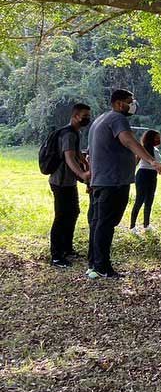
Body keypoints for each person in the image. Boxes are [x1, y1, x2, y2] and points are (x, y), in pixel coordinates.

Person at [86, 89, 161, 279]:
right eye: (130, 101)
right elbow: (128, 141)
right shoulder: (118, 119)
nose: (133, 105)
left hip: (100, 181)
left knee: (98, 222)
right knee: (106, 223)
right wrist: (151, 160)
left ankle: (94, 263)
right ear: (119, 103)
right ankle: (102, 267)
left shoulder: (100, 119)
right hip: (114, 182)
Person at [48, 103, 92, 268]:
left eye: (88, 116)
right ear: (75, 116)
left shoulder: (74, 132)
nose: (87, 119)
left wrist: (85, 164)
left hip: (68, 182)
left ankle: (67, 248)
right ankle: (56, 256)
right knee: (62, 216)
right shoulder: (68, 134)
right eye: (84, 116)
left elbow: (77, 154)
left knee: (73, 212)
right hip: (60, 182)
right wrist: (82, 174)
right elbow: (69, 157)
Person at [129, 129, 161, 233]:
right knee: (139, 200)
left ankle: (146, 225)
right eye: (157, 137)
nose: (159, 139)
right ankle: (132, 226)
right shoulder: (143, 149)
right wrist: (130, 174)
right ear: (150, 138)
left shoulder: (156, 150)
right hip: (143, 175)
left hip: (152, 176)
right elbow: (136, 162)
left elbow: (158, 167)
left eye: (159, 137)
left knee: (149, 201)